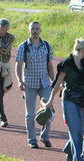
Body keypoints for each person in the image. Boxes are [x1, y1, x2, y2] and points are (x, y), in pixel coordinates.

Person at [49, 39, 84, 161]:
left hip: (82, 98)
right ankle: (78, 159)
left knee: (83, 128)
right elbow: (58, 83)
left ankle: (69, 150)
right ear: (83, 50)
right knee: (75, 129)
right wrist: (50, 100)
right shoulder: (67, 63)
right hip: (69, 98)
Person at [15, 21, 55, 149]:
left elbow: (49, 65)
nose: (35, 31)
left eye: (37, 29)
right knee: (30, 114)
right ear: (29, 30)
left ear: (40, 31)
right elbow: (19, 65)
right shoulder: (23, 47)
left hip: (44, 83)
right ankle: (32, 139)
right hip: (30, 84)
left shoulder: (46, 46)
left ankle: (45, 137)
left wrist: (54, 81)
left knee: (48, 111)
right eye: (33, 29)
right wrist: (20, 80)